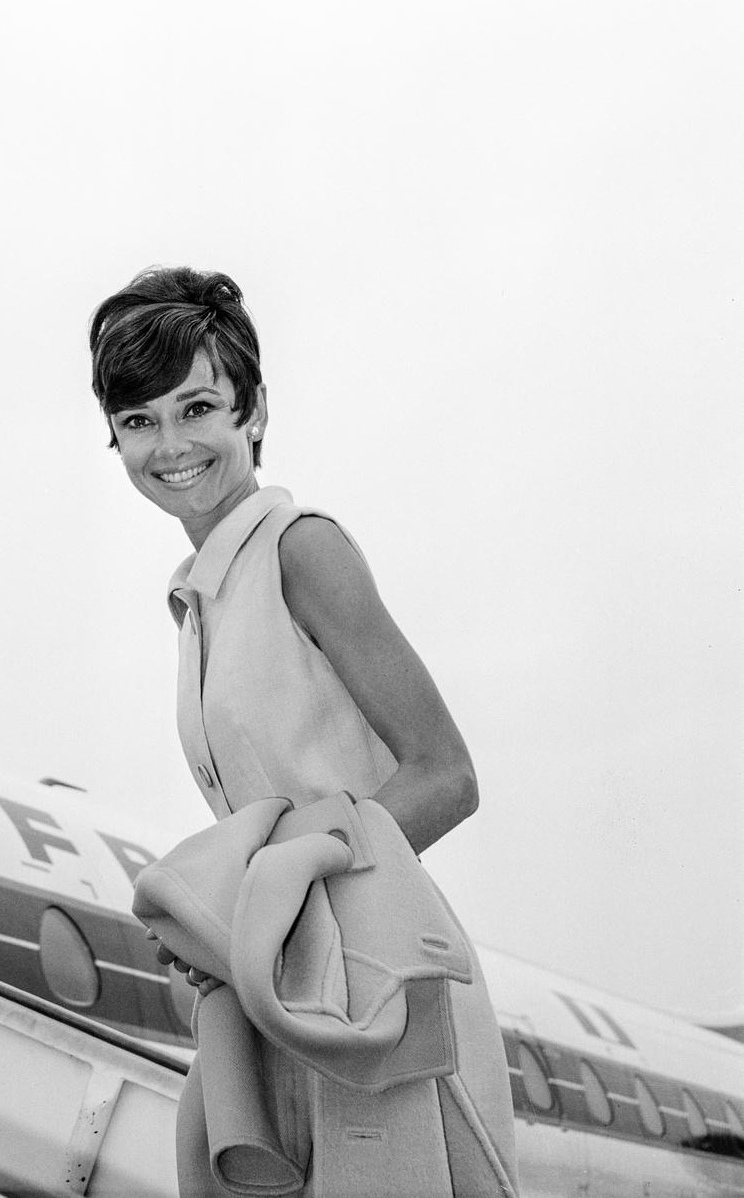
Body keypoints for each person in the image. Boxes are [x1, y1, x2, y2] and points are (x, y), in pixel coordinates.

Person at [88, 266, 518, 1196]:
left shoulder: (298, 547)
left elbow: (446, 774)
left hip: (369, 971)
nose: (170, 445)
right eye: (138, 421)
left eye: (196, 406)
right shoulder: (197, 598)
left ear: (253, 411)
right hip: (283, 977)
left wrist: (269, 886)